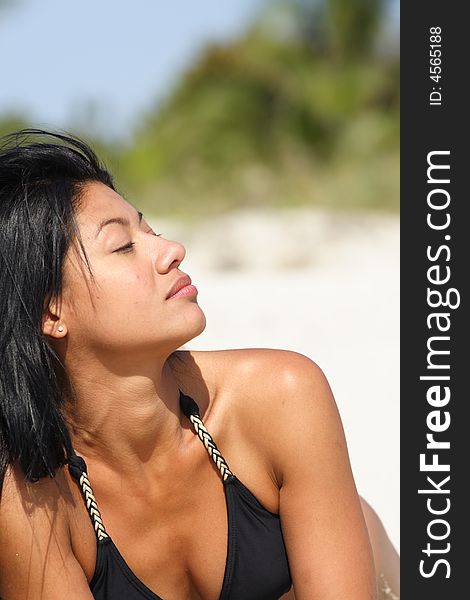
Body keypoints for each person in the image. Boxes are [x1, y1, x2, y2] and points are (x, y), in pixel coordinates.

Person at [0, 129, 396, 599]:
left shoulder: (282, 396)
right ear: (50, 312)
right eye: (123, 246)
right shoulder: (30, 495)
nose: (172, 250)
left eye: (149, 230)